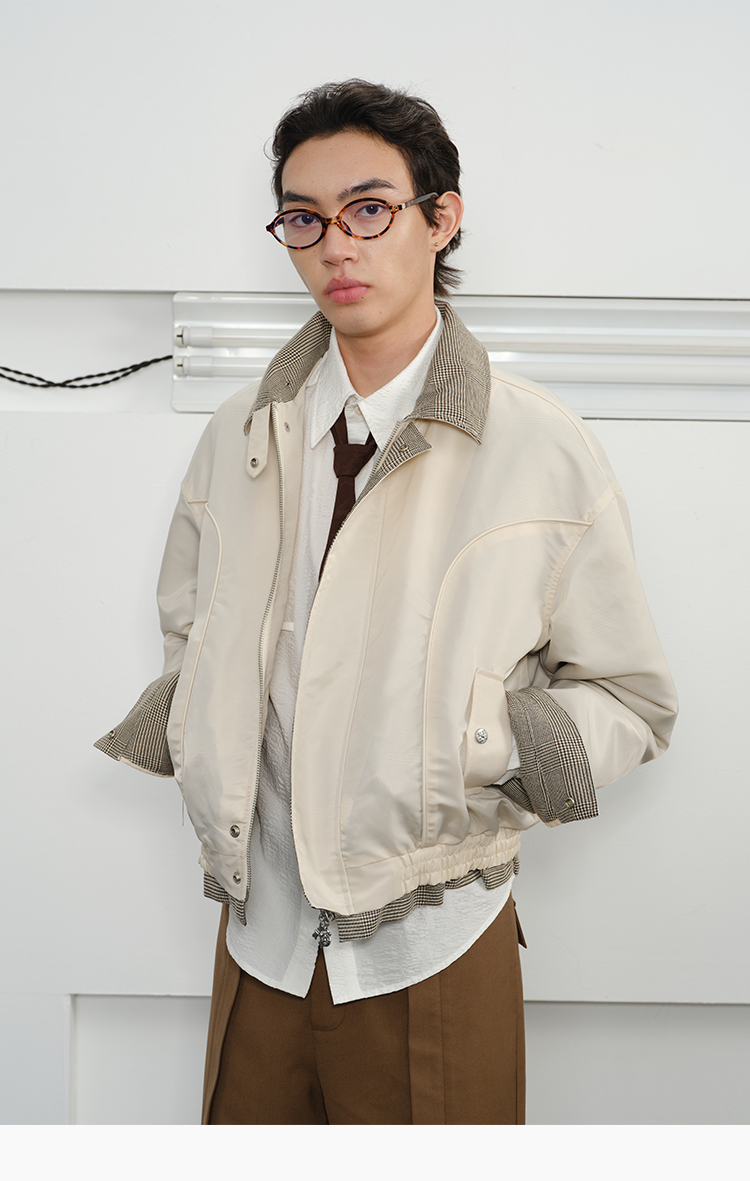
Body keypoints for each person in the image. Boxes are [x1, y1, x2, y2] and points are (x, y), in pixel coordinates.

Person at [96, 79, 677, 1125]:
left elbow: (630, 698)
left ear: (441, 216)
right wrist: (203, 726)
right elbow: (193, 629)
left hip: (435, 942)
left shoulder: (540, 447)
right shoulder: (237, 435)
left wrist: (477, 746)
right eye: (304, 219)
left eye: (369, 210)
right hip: (259, 939)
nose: (336, 247)